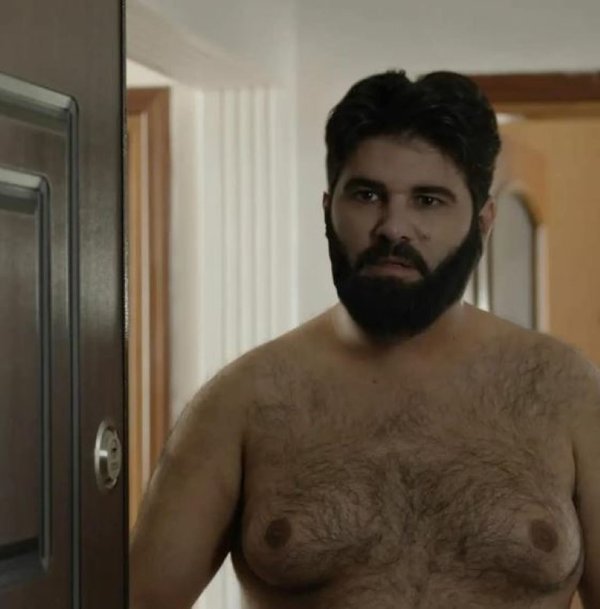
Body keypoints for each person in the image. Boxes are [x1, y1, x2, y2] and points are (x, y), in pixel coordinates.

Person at [130, 70, 600, 609]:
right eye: (368, 194)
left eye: (428, 200)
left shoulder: (565, 392)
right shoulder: (242, 401)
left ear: (483, 222)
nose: (393, 227)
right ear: (328, 209)